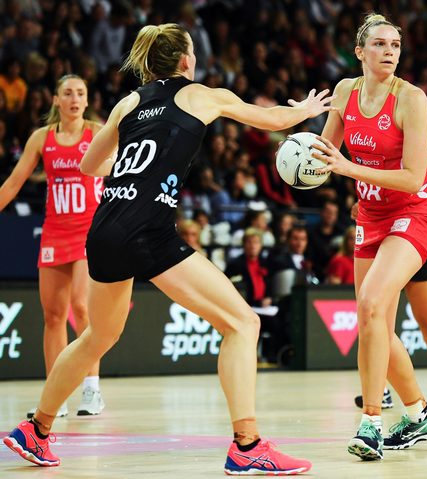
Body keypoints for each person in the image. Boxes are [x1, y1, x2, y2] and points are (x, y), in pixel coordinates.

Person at [3, 23, 336, 474]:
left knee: (97, 336)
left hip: (103, 228)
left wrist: (128, 166)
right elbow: (274, 120)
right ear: (185, 61)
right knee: (242, 323)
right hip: (147, 229)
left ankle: (36, 429)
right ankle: (247, 444)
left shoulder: (129, 102)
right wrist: (309, 109)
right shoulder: (200, 95)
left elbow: (88, 164)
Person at [313, 13, 427, 461]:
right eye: (380, 44)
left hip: (413, 213)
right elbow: (324, 151)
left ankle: (371, 421)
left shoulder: (412, 99)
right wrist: (296, 155)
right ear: (360, 52)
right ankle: (419, 412)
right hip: (370, 215)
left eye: (395, 45)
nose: (389, 51)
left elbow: (412, 178)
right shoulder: (346, 92)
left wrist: (348, 168)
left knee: (371, 305)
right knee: (375, 324)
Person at [0, 74, 105, 418]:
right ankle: (54, 395)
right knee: (53, 315)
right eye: (68, 93)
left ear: (87, 101)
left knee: (80, 306)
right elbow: (14, 183)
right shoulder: (41, 138)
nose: (74, 98)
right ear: (57, 100)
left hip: (89, 230)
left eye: (80, 93)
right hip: (54, 232)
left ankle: (92, 391)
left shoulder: (97, 132)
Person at [352, 149, 427, 411]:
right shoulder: (376, 156)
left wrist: (412, 186)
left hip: (416, 233)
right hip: (384, 231)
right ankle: (382, 390)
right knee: (379, 320)